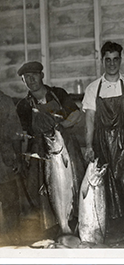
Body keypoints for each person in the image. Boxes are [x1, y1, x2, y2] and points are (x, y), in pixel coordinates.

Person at [16, 61, 86, 235]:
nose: (31, 80)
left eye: (34, 75)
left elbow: (76, 115)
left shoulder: (58, 94)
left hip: (64, 147)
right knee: (43, 191)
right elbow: (22, 134)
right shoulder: (23, 105)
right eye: (26, 78)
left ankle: (76, 224)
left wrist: (61, 126)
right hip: (40, 153)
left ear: (42, 75)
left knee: (73, 184)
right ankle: (51, 230)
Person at [82, 41, 124, 237]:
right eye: (108, 60)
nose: (112, 64)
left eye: (115, 59)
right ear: (102, 61)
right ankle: (111, 228)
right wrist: (89, 145)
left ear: (120, 60)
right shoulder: (93, 88)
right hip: (102, 141)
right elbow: (90, 118)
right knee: (105, 185)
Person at [0, 90, 24, 245]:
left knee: (10, 201)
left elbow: (16, 133)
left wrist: (18, 158)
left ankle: (12, 239)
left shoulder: (5, 101)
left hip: (4, 161)